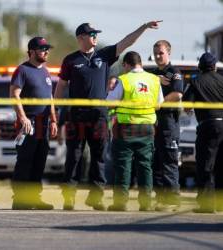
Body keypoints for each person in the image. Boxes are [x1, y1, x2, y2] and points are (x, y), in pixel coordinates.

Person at [54, 20, 162, 210]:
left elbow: (127, 42)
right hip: (76, 116)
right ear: (81, 38)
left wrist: (143, 27)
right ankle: (69, 197)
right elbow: (62, 85)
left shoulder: (103, 56)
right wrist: (55, 110)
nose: (96, 37)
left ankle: (96, 197)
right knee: (74, 157)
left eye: (96, 34)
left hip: (99, 117)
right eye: (92, 34)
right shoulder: (70, 60)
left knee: (99, 156)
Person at [107, 51, 163, 211]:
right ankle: (145, 204)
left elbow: (110, 102)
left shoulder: (124, 80)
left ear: (126, 64)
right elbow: (159, 104)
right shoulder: (153, 80)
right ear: (140, 63)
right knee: (145, 165)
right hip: (147, 128)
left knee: (123, 165)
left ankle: (120, 203)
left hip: (126, 128)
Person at [10, 36, 58, 210]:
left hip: (43, 125)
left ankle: (34, 198)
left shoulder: (45, 72)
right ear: (31, 51)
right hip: (28, 125)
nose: (46, 52)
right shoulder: (22, 70)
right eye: (42, 49)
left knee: (39, 162)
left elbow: (50, 98)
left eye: (47, 49)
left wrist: (53, 119)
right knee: (25, 161)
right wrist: (22, 118)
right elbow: (14, 95)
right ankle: (20, 199)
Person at [183, 52, 223, 213]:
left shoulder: (196, 81)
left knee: (206, 165)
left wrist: (190, 110)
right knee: (221, 164)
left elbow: (187, 105)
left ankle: (207, 205)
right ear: (214, 66)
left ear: (200, 66)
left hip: (208, 126)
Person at [152, 40, 184, 211]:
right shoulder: (154, 74)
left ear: (168, 53)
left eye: (161, 53)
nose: (158, 56)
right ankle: (160, 198)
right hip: (154, 124)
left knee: (169, 162)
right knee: (156, 163)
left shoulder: (174, 73)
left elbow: (178, 94)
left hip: (169, 124)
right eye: (156, 53)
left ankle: (172, 200)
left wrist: (160, 103)